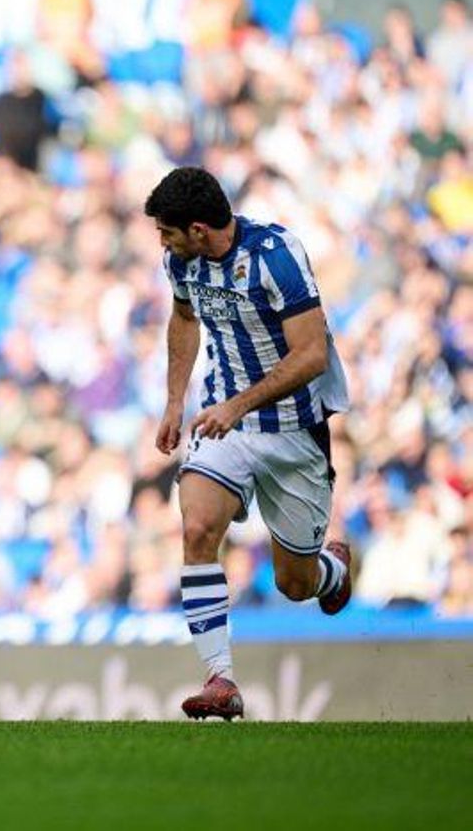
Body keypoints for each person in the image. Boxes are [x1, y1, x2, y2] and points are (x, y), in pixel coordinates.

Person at [149, 166, 354, 721]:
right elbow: (184, 318)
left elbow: (311, 355)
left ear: (197, 229)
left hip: (293, 434)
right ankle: (219, 678)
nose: (162, 242)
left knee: (295, 583)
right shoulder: (181, 262)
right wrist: (175, 401)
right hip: (225, 424)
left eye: (167, 231)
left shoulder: (276, 255)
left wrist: (239, 405)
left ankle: (332, 571)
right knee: (196, 528)